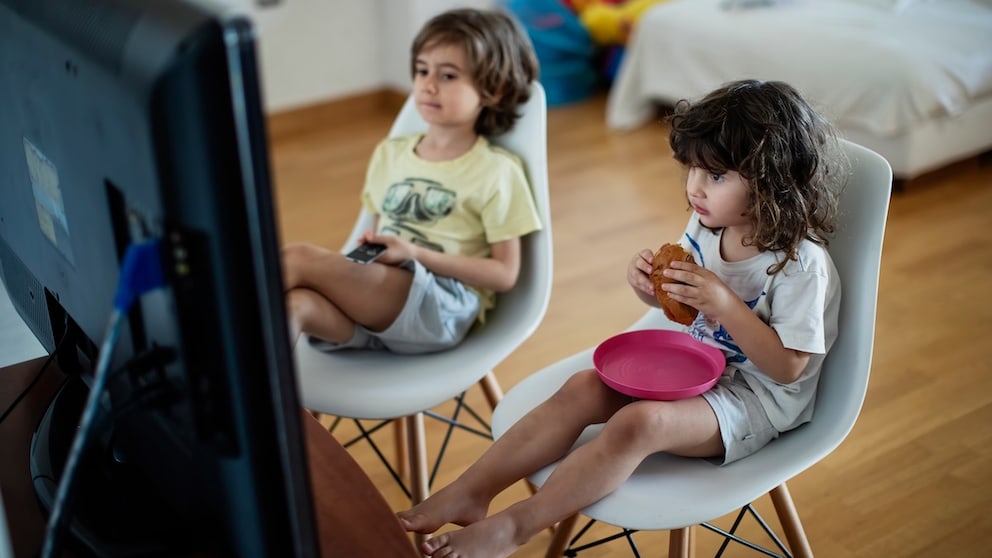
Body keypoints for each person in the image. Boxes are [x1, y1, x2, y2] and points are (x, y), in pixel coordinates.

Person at [398, 79, 847, 557]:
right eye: (693, 168)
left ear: (771, 181)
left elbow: (788, 369)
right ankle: (473, 490)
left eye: (716, 176)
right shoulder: (708, 223)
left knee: (640, 424)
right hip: (697, 368)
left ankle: (515, 527)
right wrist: (654, 292)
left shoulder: (799, 264)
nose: (695, 186)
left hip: (755, 400)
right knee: (581, 387)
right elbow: (687, 308)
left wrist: (725, 305)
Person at [281, 8, 541, 354]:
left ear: (495, 88)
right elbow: (371, 239)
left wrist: (415, 253)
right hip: (378, 307)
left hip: (441, 307)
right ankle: (276, 408)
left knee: (295, 258)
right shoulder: (390, 154)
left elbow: (505, 274)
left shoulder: (497, 171)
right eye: (422, 70)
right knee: (295, 306)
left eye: (448, 76)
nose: (427, 85)